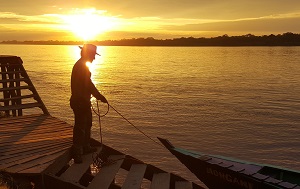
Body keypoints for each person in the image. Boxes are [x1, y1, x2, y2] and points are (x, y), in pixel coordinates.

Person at [70, 44, 107, 164]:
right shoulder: (81, 67)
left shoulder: (81, 65)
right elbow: (88, 84)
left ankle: (85, 147)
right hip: (79, 102)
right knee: (81, 127)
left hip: (82, 102)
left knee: (87, 124)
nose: (94, 58)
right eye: (93, 55)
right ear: (88, 54)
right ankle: (77, 153)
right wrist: (99, 96)